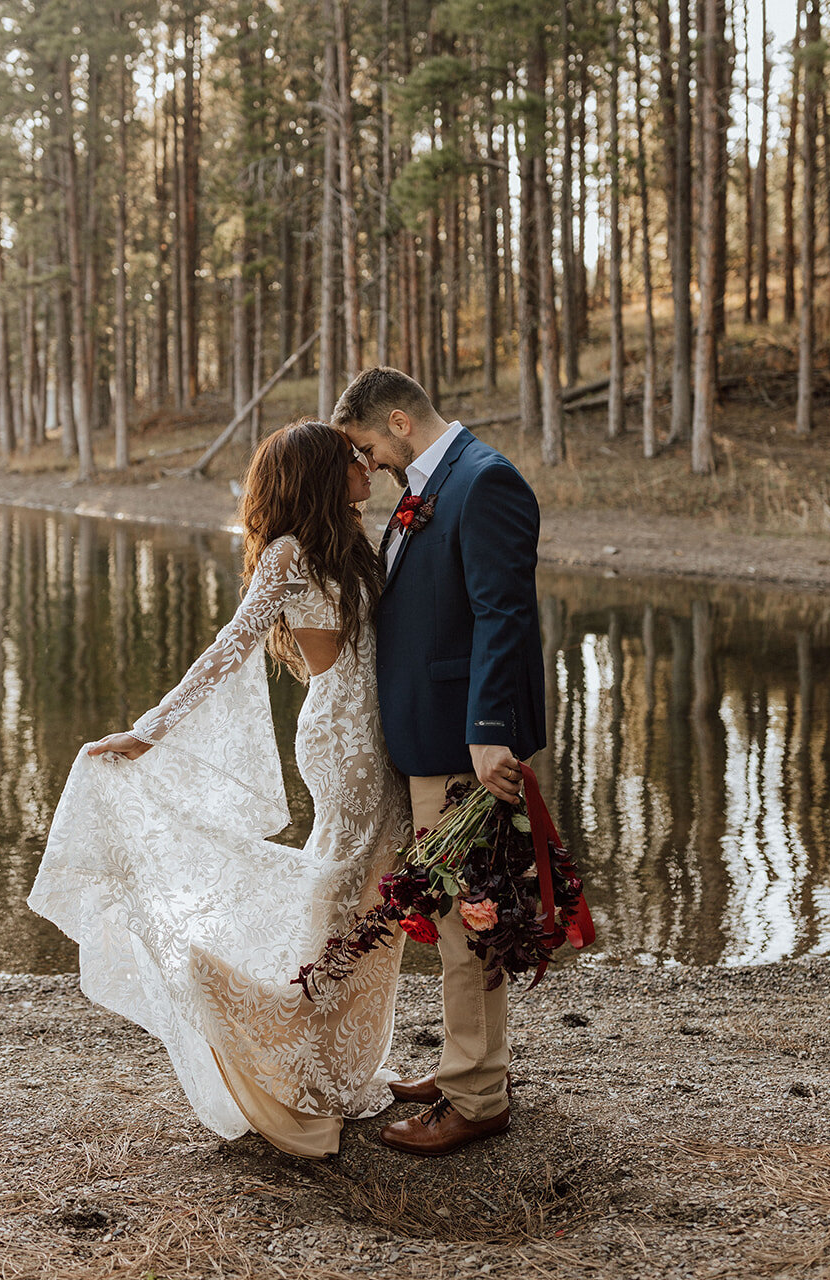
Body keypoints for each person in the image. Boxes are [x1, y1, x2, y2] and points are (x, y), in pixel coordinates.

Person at [28, 421, 410, 1160]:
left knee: (372, 901)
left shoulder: (351, 541)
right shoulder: (290, 553)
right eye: (351, 459)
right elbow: (230, 645)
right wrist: (150, 729)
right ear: (318, 477)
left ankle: (337, 1066)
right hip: (346, 744)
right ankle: (279, 1054)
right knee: (344, 900)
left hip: (381, 735)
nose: (366, 465)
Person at [333, 366, 547, 1156]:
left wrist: (489, 729)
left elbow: (503, 615)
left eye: (365, 447)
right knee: (465, 917)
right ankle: (471, 1066)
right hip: (433, 734)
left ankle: (476, 1097)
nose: (368, 464)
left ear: (396, 420)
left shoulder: (483, 481)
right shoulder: (431, 484)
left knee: (467, 924)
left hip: (465, 743)